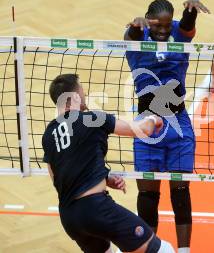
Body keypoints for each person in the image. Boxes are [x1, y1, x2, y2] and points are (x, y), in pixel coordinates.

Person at [42, 73, 175, 253]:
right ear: (74, 97)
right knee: (163, 250)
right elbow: (142, 130)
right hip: (96, 209)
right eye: (81, 90)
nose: (85, 94)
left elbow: (57, 177)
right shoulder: (91, 118)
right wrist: (153, 119)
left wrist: (104, 177)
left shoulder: (49, 134)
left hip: (69, 218)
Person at [124, 0, 210, 253]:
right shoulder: (137, 36)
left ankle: (184, 250)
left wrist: (191, 11)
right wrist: (137, 27)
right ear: (148, 22)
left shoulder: (178, 33)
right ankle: (148, 249)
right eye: (156, 26)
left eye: (166, 26)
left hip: (179, 125)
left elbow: (187, 25)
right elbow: (131, 35)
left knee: (180, 192)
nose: (162, 31)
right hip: (146, 125)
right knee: (148, 197)